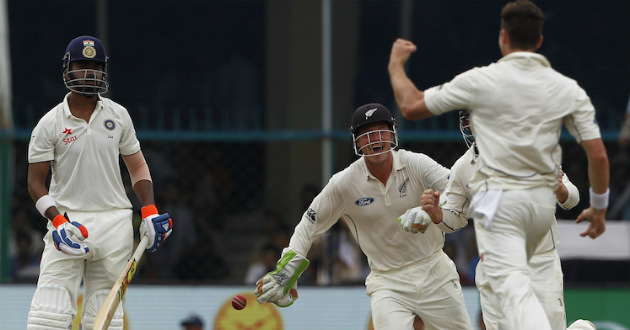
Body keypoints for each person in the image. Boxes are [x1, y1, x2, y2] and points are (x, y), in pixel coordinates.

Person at [388, 1, 610, 329]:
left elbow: (409, 105)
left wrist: (395, 65)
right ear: (539, 41)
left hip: (539, 261)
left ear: (503, 38)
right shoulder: (563, 93)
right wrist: (436, 214)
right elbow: (599, 156)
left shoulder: (480, 83)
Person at [254, 103, 473, 330]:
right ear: (357, 142)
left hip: (434, 270)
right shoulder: (345, 183)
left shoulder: (415, 163)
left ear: (392, 134)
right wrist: (289, 268)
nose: (375, 140)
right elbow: (309, 224)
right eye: (366, 135)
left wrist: (429, 212)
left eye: (381, 131)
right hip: (388, 281)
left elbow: (456, 189)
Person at [26, 35, 173, 330]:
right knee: (49, 317)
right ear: (67, 69)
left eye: (96, 66)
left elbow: (138, 167)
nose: (90, 73)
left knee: (104, 318)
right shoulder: (50, 123)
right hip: (68, 225)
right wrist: (57, 222)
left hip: (114, 224)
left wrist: (149, 210)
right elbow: (34, 183)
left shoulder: (118, 116)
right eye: (82, 65)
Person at [402, 111, 595, 330]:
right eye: (469, 122)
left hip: (539, 260)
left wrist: (559, 188)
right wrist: (437, 214)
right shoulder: (464, 167)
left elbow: (572, 198)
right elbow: (453, 218)